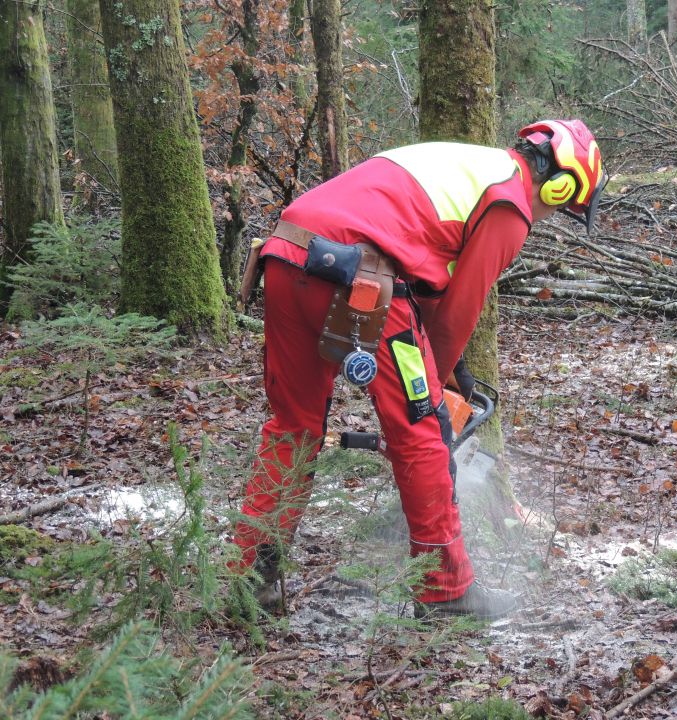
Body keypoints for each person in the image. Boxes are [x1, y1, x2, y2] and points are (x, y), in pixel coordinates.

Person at [233, 119, 607, 620]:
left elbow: (422, 272)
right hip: (359, 275)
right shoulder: (511, 202)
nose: (548, 215)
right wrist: (438, 388)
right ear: (561, 184)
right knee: (424, 431)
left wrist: (447, 371)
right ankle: (444, 591)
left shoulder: (468, 161)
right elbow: (455, 314)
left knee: (292, 425)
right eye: (561, 205)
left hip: (286, 253)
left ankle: (251, 578)